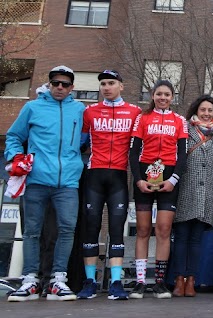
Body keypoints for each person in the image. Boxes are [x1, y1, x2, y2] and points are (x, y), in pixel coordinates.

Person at [6, 65, 85, 301]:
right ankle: (30, 280)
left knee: (67, 230)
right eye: (55, 83)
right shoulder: (32, 107)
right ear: (49, 84)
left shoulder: (80, 109)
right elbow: (13, 136)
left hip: (68, 182)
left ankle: (57, 281)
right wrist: (15, 157)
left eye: (65, 84)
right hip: (36, 180)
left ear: (72, 87)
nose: (60, 87)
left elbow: (89, 135)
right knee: (32, 231)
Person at [76, 70, 141, 301]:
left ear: (121, 86)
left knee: (116, 229)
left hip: (119, 177)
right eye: (102, 83)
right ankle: (90, 281)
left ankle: (116, 282)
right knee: (91, 227)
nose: (106, 87)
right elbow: (80, 143)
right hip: (94, 174)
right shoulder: (89, 111)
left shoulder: (135, 112)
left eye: (111, 83)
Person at [128, 80, 188, 299]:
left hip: (169, 177)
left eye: (167, 95)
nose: (163, 98)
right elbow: (133, 153)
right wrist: (138, 180)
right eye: (159, 94)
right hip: (145, 175)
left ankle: (160, 282)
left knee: (163, 229)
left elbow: (183, 155)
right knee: (143, 230)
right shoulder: (142, 118)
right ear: (152, 95)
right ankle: (140, 281)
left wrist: (173, 179)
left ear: (173, 97)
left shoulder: (179, 120)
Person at [171, 95, 213, 297]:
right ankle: (178, 279)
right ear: (196, 110)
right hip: (185, 188)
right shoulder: (184, 128)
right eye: (203, 110)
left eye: (210, 110)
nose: (206, 113)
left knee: (196, 240)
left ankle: (191, 280)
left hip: (207, 191)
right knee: (181, 237)